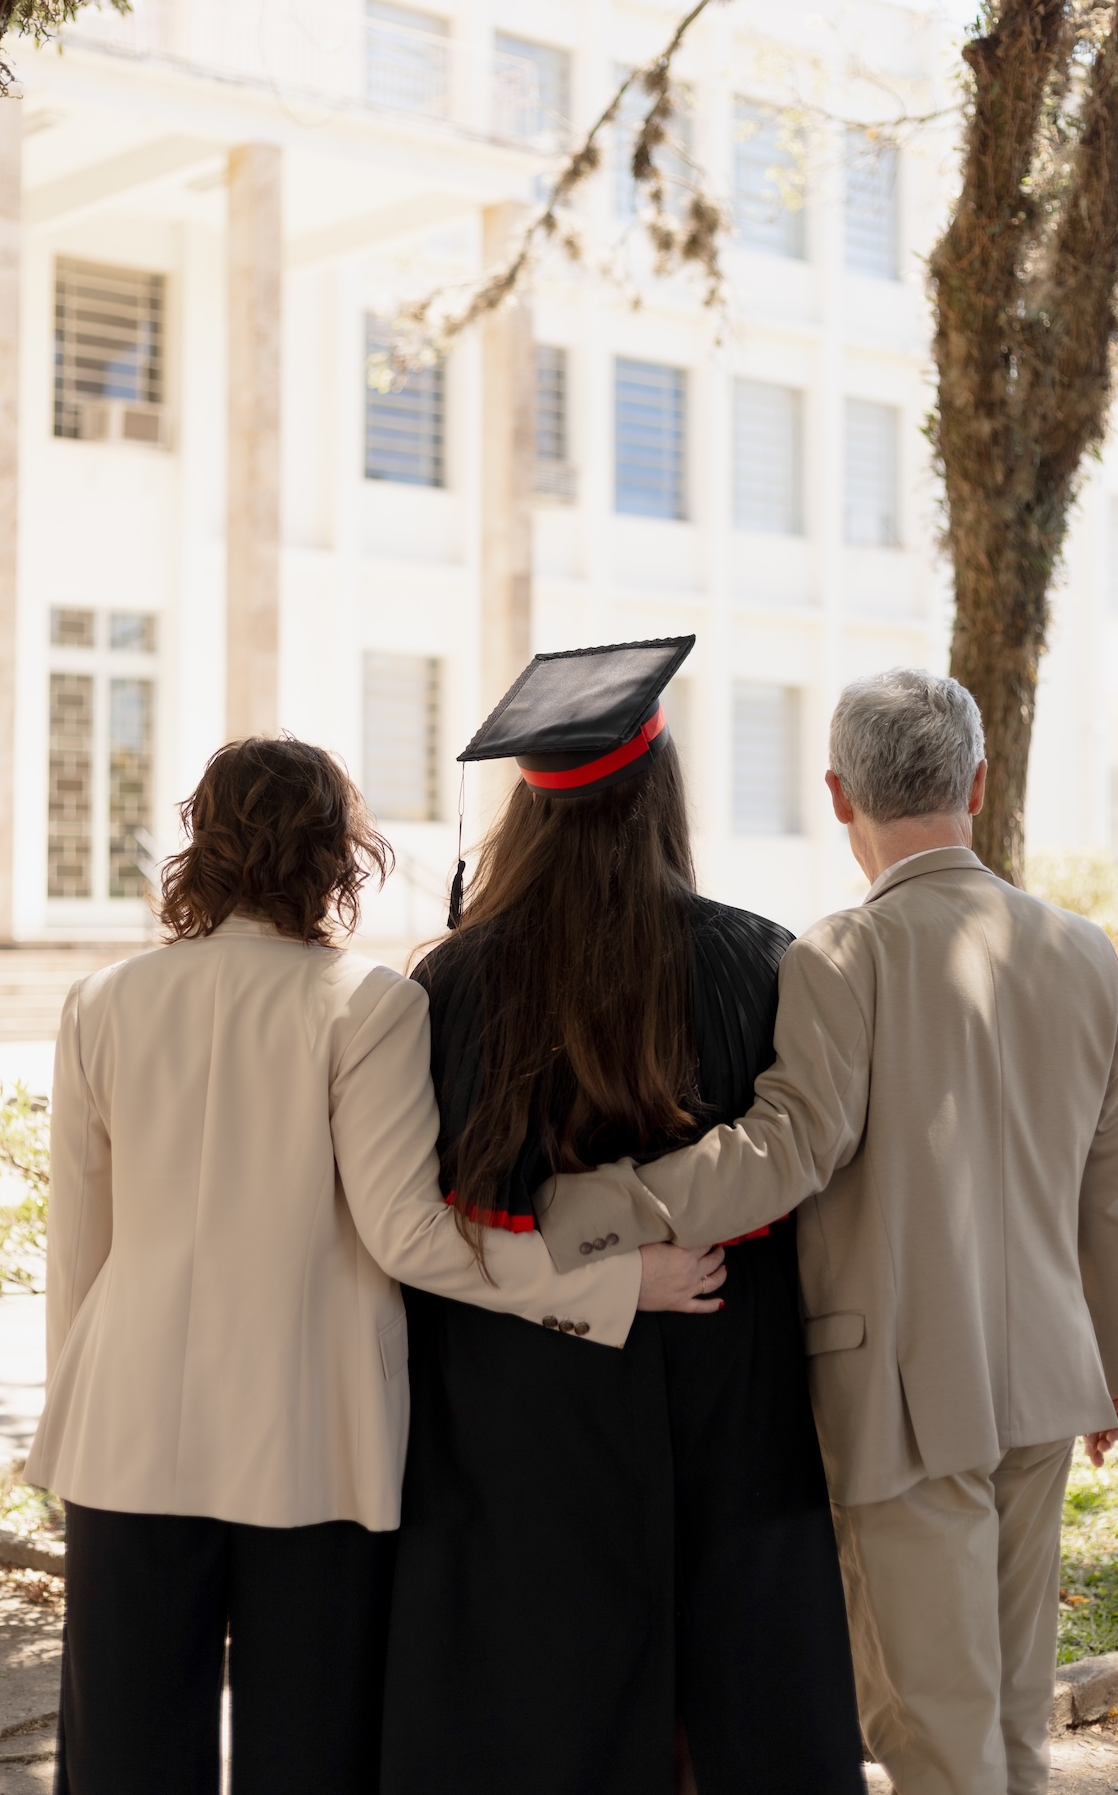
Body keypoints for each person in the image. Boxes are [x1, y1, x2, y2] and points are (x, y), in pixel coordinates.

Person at [23, 735, 706, 1795]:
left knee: (120, 1758)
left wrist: (72, 1415)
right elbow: (410, 1239)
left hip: (122, 1429)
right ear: (336, 855)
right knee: (310, 1753)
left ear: (201, 844)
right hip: (308, 1437)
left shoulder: (102, 1001)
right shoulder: (367, 1005)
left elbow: (80, 1249)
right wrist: (611, 1282)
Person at [534, 667, 1118, 1795]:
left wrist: (590, 1209)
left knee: (933, 1734)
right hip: (1046, 1380)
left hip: (908, 1397)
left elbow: (782, 1151)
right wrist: (1112, 1363)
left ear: (834, 794)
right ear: (975, 777)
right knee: (1009, 1727)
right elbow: (1103, 1187)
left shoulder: (841, 955)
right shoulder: (1082, 951)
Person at [380, 638, 866, 1795]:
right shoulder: (759, 959)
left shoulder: (455, 983)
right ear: (663, 795)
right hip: (725, 1382)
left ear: (528, 814)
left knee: (539, 1701)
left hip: (520, 1401)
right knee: (738, 1697)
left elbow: (439, 1227)